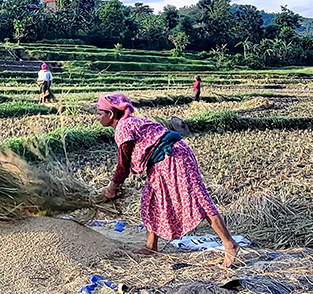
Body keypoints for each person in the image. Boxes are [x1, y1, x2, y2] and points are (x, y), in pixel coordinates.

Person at [96, 93, 239, 268]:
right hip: (161, 160)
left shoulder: (123, 127)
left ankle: (229, 243)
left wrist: (112, 187)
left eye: (99, 113)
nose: (97, 117)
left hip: (173, 157)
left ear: (110, 114)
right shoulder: (129, 123)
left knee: (197, 198)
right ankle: (151, 246)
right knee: (150, 200)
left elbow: (123, 165)